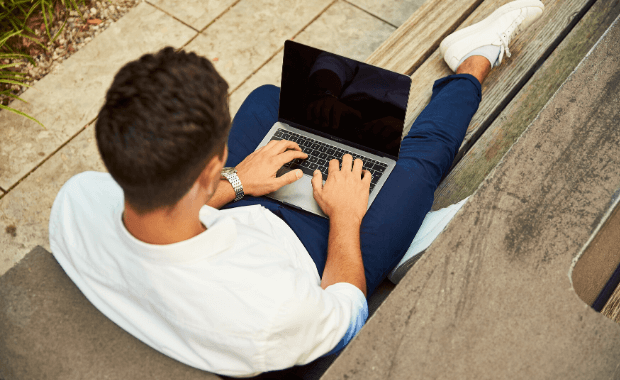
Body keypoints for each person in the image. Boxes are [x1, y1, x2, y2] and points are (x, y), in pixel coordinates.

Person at [49, 0, 543, 377]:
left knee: (269, 103)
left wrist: (238, 181)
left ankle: (397, 218)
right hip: (316, 255)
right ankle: (474, 60)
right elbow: (347, 317)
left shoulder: (77, 202)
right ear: (207, 166)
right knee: (420, 158)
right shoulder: (271, 314)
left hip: (235, 213)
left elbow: (162, 216)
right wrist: (347, 216)